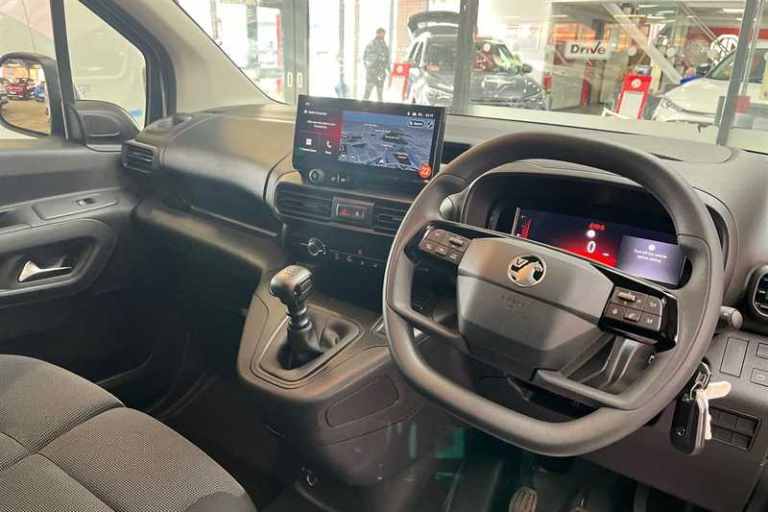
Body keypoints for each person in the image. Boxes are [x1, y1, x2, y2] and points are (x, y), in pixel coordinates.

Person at [363, 28, 390, 102]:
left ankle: (379, 108)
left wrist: (388, 70)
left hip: (380, 73)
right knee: (367, 94)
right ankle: (362, 107)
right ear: (377, 34)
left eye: (383, 34)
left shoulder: (384, 45)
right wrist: (371, 68)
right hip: (372, 73)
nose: (383, 35)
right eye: (381, 34)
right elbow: (366, 58)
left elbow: (387, 59)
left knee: (379, 96)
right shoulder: (372, 44)